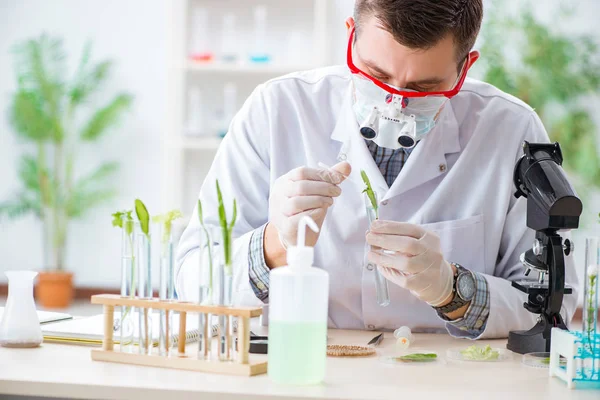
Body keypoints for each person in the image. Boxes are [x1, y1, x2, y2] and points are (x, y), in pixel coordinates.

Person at [175, 0, 579, 339]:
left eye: (422, 88)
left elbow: (552, 307)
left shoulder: (511, 130)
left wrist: (454, 289)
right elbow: (192, 280)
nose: (394, 104)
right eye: (376, 75)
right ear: (351, 34)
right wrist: (273, 245)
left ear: (465, 67)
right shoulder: (277, 109)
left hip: (447, 385)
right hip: (301, 370)